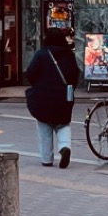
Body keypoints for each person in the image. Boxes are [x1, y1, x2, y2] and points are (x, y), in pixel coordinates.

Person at [25, 28, 80, 168]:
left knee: (44, 127)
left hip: (43, 98)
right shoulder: (69, 54)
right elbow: (75, 75)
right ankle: (64, 147)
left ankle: (47, 159)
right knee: (63, 124)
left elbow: (30, 73)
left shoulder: (41, 54)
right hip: (63, 97)